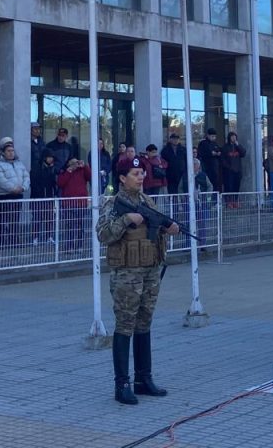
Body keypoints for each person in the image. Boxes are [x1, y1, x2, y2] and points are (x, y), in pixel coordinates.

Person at [96, 155, 179, 405]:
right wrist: (126, 220)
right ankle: (122, 384)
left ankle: (144, 378)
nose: (141, 177)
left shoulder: (147, 200)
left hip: (150, 270)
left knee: (144, 323)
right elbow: (102, 233)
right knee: (125, 325)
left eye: (142, 173)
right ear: (122, 178)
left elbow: (155, 225)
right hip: (127, 274)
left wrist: (168, 227)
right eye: (135, 174)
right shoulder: (113, 203)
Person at [0, 138, 30, 248]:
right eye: (8, 151)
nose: (11, 153)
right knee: (1, 220)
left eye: (12, 150)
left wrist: (23, 188)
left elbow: (26, 176)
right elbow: (0, 180)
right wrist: (13, 188)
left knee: (15, 218)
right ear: (3, 153)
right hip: (3, 196)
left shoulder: (19, 164)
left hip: (17, 195)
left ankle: (14, 240)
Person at [57, 156, 91, 253]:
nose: (75, 164)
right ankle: (69, 246)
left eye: (76, 162)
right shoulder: (64, 171)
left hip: (81, 202)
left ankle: (80, 246)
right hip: (68, 203)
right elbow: (60, 183)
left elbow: (90, 176)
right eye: (72, 163)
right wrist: (69, 171)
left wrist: (85, 166)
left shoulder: (82, 171)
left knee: (80, 225)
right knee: (70, 225)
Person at [30, 150, 60, 245]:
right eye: (49, 157)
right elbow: (34, 182)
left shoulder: (53, 168)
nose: (51, 159)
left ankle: (49, 237)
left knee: (49, 218)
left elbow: (54, 182)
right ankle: (35, 238)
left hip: (49, 196)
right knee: (37, 218)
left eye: (52, 158)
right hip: (38, 197)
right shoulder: (36, 168)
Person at [220, 132, 246, 208]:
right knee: (229, 186)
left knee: (236, 186)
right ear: (229, 138)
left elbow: (243, 153)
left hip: (237, 171)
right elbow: (222, 159)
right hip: (229, 171)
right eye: (232, 137)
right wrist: (228, 167)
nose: (234, 138)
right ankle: (229, 202)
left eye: (235, 137)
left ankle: (235, 201)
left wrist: (238, 145)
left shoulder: (237, 146)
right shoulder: (225, 147)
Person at [160, 133, 187, 204]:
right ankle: (174, 212)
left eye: (177, 139)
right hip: (170, 175)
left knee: (183, 195)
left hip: (182, 175)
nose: (176, 140)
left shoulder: (183, 149)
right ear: (170, 139)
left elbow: (187, 161)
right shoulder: (165, 150)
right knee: (172, 195)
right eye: (174, 138)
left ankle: (186, 210)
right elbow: (163, 162)